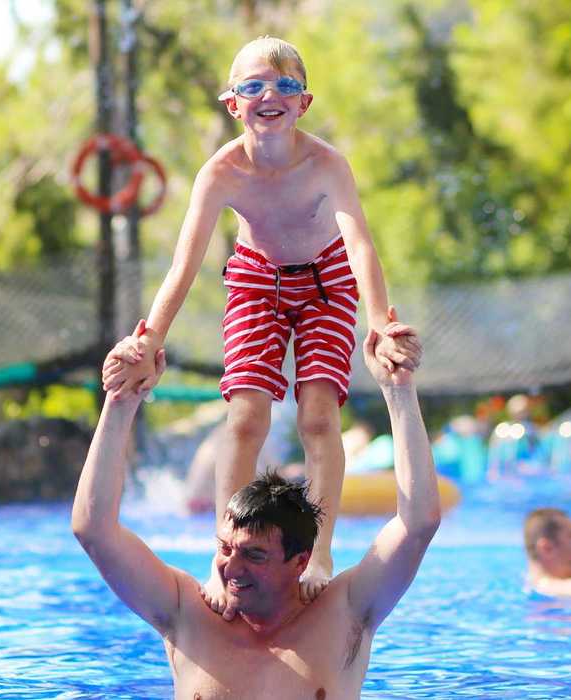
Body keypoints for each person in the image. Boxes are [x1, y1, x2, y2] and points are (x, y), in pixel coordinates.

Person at [102, 35, 419, 611]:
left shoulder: (326, 164)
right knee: (246, 416)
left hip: (328, 281)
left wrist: (379, 322)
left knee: (319, 416)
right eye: (253, 86)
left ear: (305, 102)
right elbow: (186, 262)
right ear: (233, 103)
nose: (269, 95)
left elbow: (361, 245)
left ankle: (316, 551)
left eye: (285, 86)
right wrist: (148, 339)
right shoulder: (221, 171)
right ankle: (228, 552)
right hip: (255, 280)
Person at [74, 325, 442, 698]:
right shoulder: (187, 612)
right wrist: (121, 401)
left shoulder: (343, 612)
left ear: (300, 562)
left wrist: (399, 391)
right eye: (225, 549)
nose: (231, 569)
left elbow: (418, 524)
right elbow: (94, 530)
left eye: (254, 555)